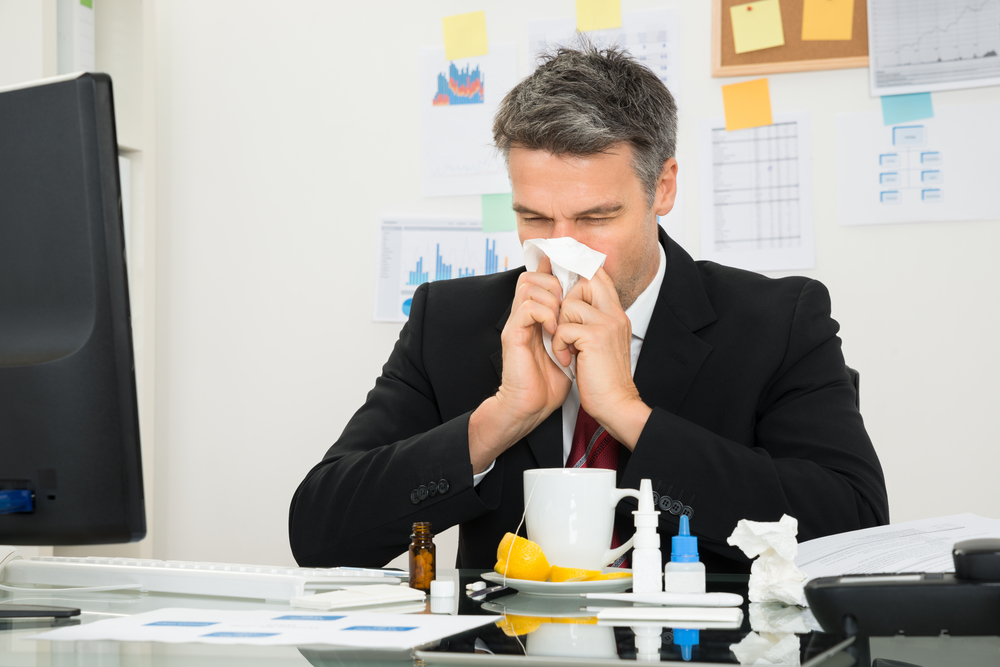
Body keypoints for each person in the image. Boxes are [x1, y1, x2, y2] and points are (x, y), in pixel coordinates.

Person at [289, 45, 888, 574]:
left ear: (665, 188)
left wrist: (628, 413)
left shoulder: (778, 320)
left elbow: (851, 525)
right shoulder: (450, 319)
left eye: (596, 218)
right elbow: (320, 535)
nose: (562, 247)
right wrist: (499, 420)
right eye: (534, 218)